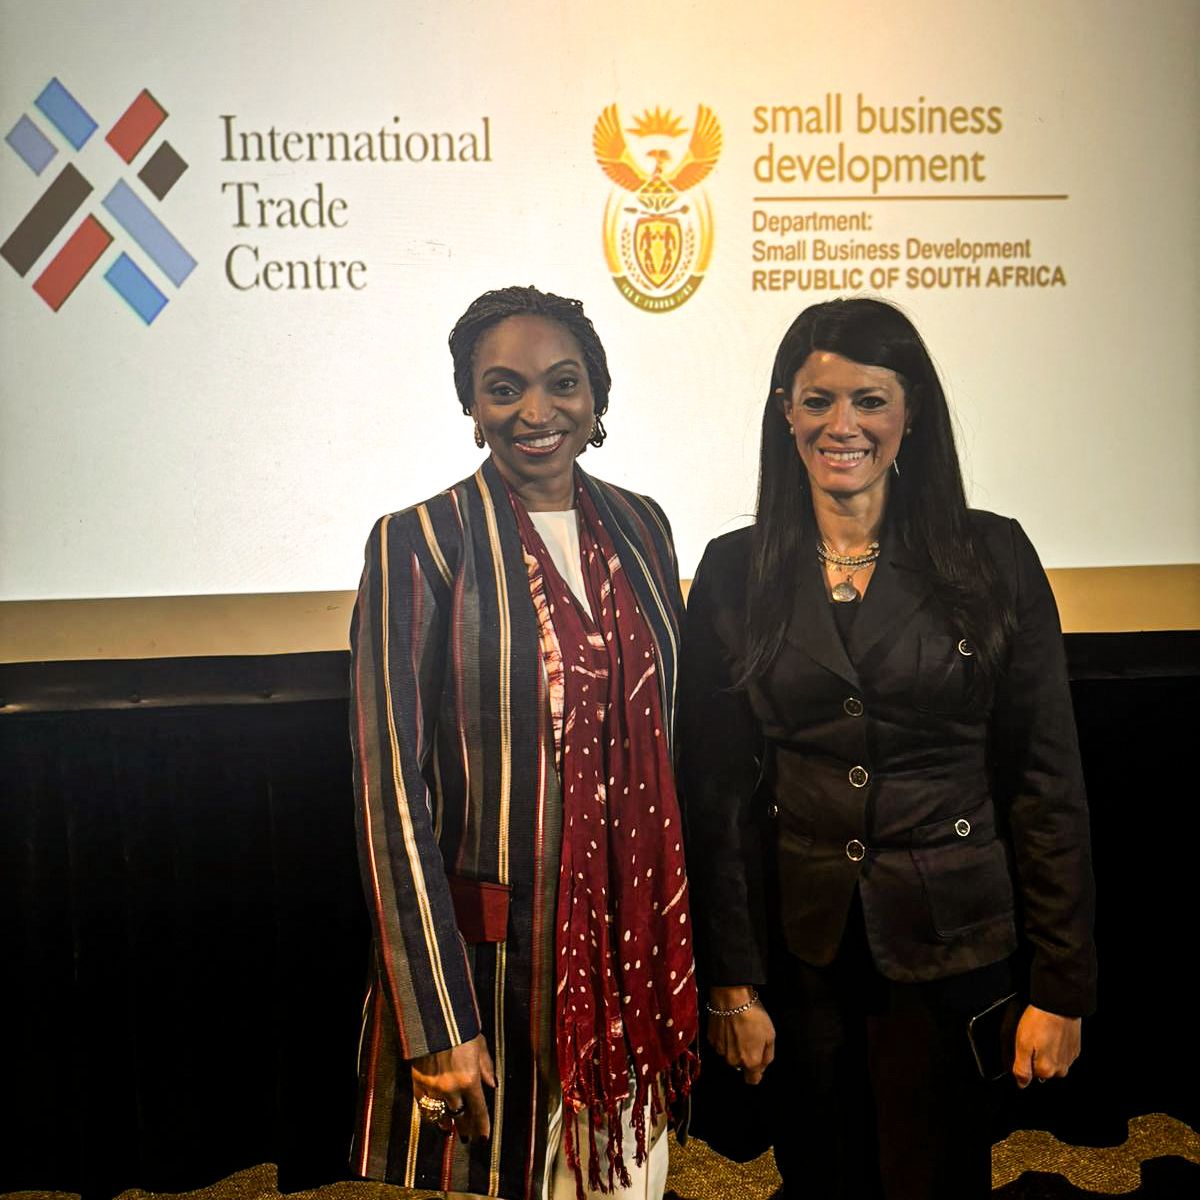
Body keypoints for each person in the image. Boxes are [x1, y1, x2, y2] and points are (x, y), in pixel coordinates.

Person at [678, 297, 1096, 1199]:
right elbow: (714, 802)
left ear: (912, 412)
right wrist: (733, 986)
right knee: (821, 1182)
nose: (844, 426)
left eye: (870, 400)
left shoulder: (992, 556)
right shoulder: (733, 570)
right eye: (818, 400)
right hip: (803, 957)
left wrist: (1062, 988)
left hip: (954, 948)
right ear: (785, 412)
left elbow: (1045, 784)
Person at [348, 286, 697, 1200]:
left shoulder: (644, 525)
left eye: (562, 383)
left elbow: (672, 745)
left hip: (635, 950)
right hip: (502, 975)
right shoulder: (420, 542)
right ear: (471, 407)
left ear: (597, 396)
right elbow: (392, 796)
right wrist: (437, 1021)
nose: (536, 412)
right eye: (504, 389)